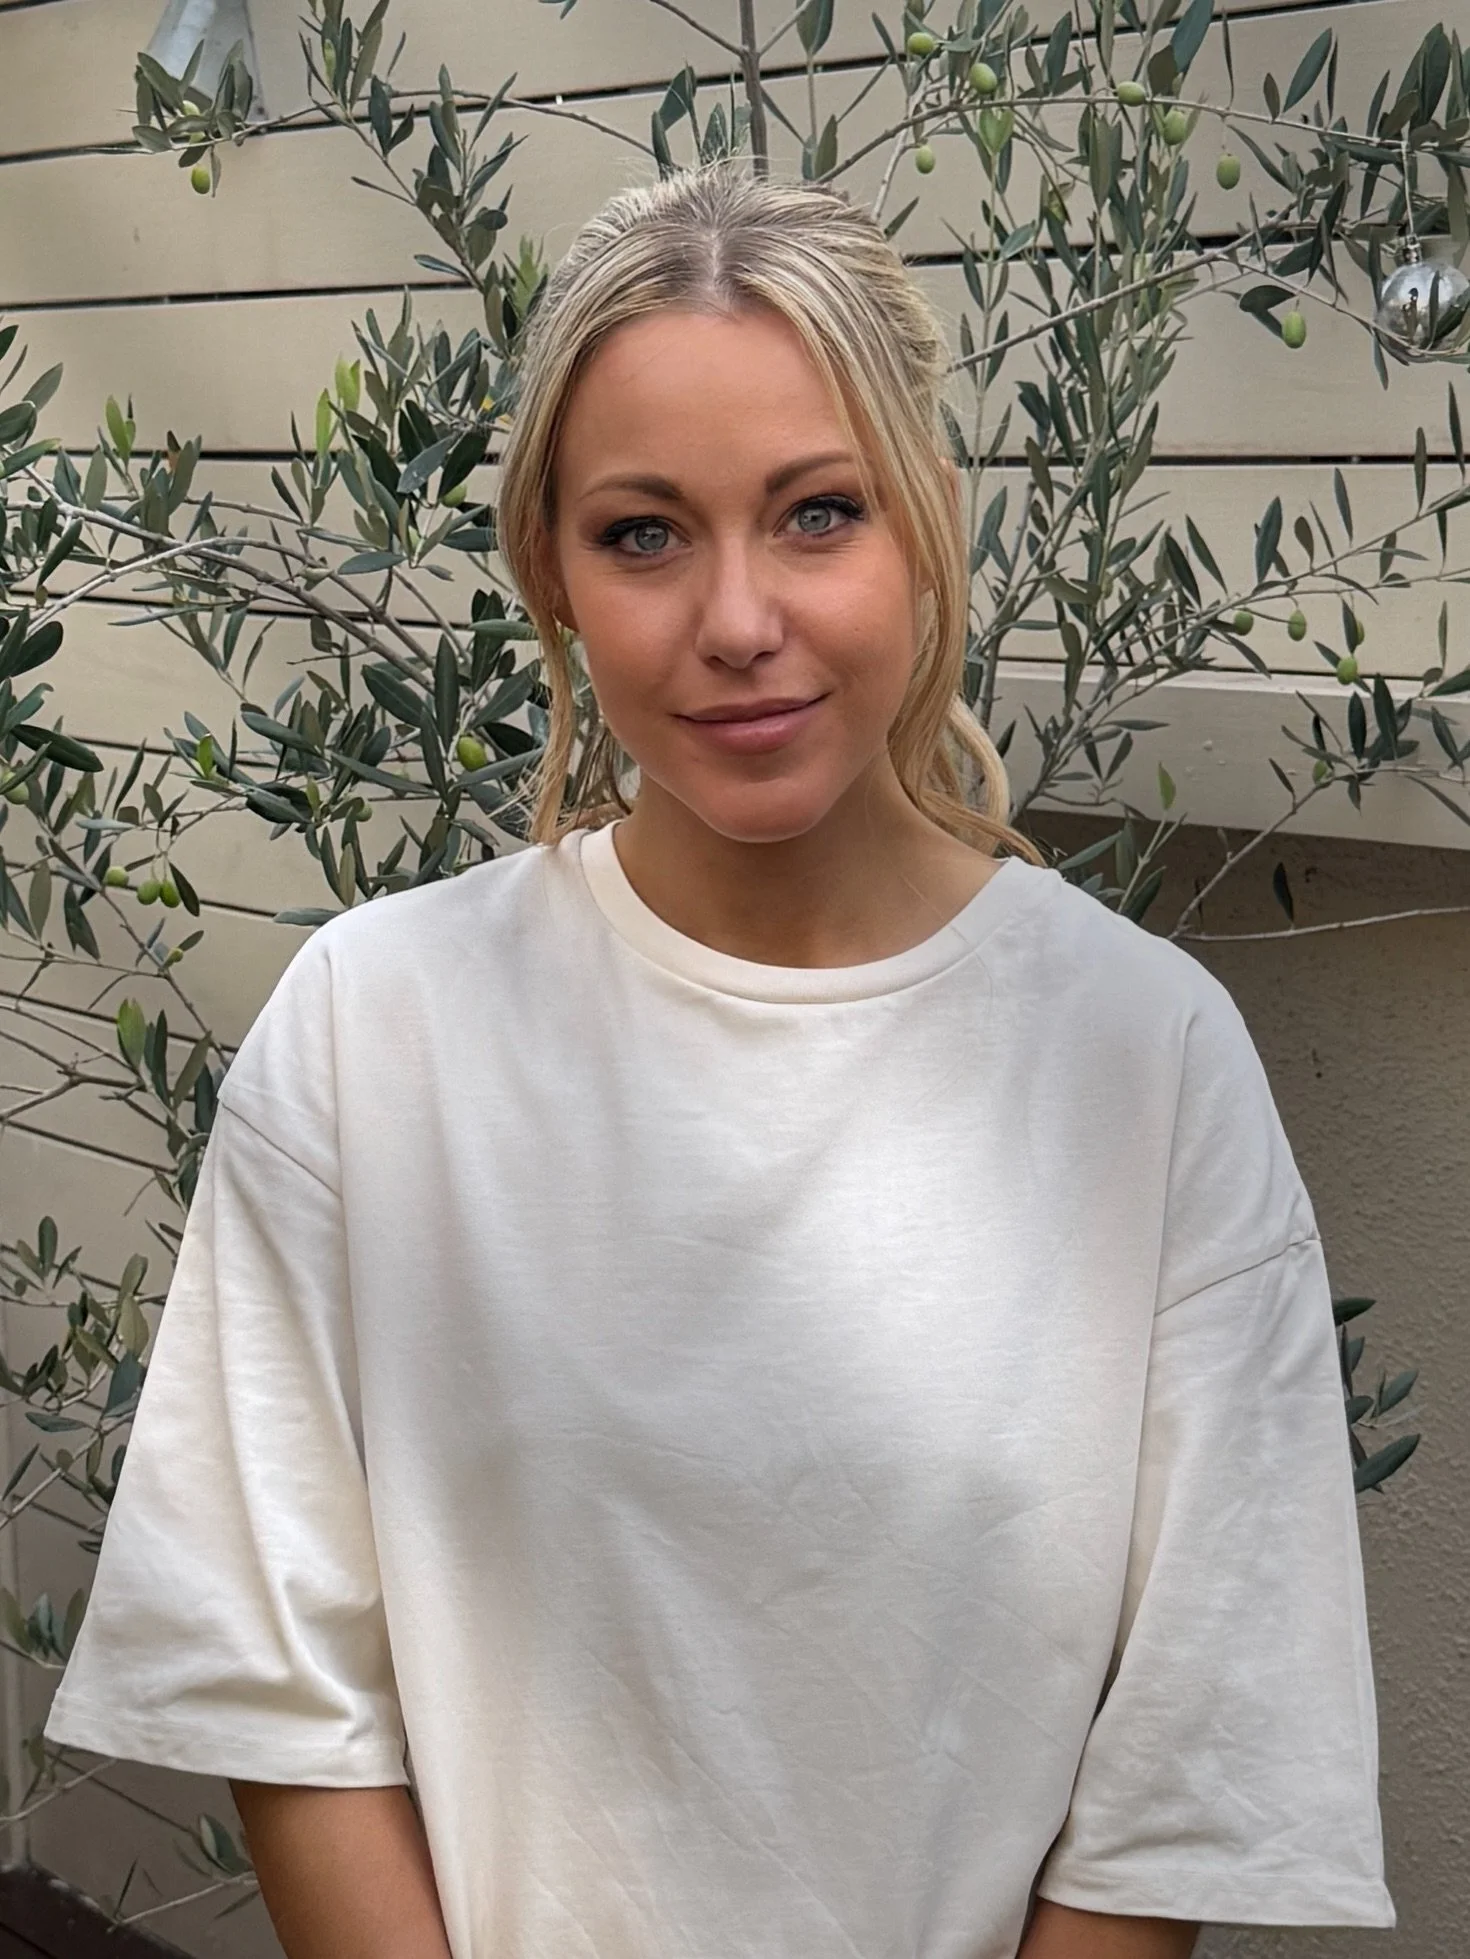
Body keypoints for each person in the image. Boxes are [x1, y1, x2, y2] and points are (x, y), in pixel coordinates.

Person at [44, 162, 1394, 1959]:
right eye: (644, 532)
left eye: (816, 513)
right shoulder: (380, 1028)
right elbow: (283, 1681)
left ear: (921, 523)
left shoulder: (1141, 1062)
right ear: (550, 569)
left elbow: (1185, 1762)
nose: (737, 620)